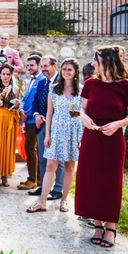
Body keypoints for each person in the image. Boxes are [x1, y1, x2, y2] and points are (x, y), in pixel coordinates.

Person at [76, 46, 128, 248]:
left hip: (113, 140)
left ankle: (110, 226)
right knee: (91, 181)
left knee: (110, 183)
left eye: (96, 60)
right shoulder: (91, 83)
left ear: (107, 62)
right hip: (91, 138)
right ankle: (97, 224)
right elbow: (82, 109)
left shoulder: (127, 86)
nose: (93, 64)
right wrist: (84, 118)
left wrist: (118, 124)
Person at [27, 59, 83, 214]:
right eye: (64, 69)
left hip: (73, 132)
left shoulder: (82, 90)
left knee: (69, 167)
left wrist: (81, 137)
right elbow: (49, 113)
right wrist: (47, 135)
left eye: (69, 69)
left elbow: (83, 114)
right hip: (56, 130)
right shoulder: (53, 89)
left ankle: (64, 200)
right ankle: (42, 201)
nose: (66, 72)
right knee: (50, 166)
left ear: (75, 72)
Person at [30, 56, 64, 200]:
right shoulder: (42, 82)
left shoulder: (62, 82)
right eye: (42, 66)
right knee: (43, 157)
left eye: (46, 66)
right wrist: (37, 115)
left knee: (58, 158)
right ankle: (45, 187)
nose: (43, 69)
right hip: (41, 125)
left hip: (57, 126)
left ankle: (58, 189)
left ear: (54, 65)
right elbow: (35, 101)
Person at [0, 63, 21, 186]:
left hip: (9, 119)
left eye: (8, 74)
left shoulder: (16, 89)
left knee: (7, 147)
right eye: (3, 74)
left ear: (11, 75)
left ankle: (4, 175)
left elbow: (16, 106)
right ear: (0, 74)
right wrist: (2, 94)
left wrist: (17, 106)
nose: (5, 76)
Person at [17, 54, 44, 190]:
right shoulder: (30, 81)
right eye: (27, 65)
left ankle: (33, 179)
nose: (29, 68)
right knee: (32, 149)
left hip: (35, 120)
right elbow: (25, 98)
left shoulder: (42, 80)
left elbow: (38, 102)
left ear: (39, 65)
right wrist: (21, 110)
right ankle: (37, 179)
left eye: (32, 65)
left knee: (31, 148)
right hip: (27, 119)